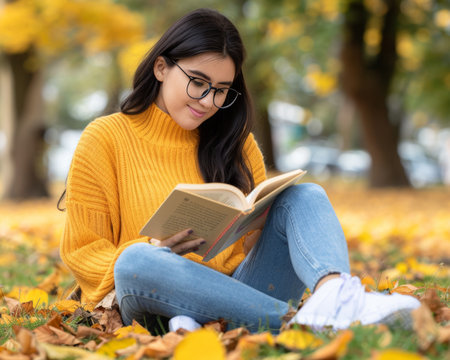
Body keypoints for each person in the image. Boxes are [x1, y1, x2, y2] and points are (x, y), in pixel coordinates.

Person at [59, 8, 420, 334]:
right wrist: (155, 247)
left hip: (239, 295)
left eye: (221, 91)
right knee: (135, 260)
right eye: (198, 82)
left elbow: (253, 247)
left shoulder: (238, 143)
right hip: (150, 297)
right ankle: (305, 323)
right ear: (161, 67)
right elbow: (83, 251)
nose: (208, 102)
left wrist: (254, 229)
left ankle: (335, 295)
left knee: (305, 194)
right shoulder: (105, 137)